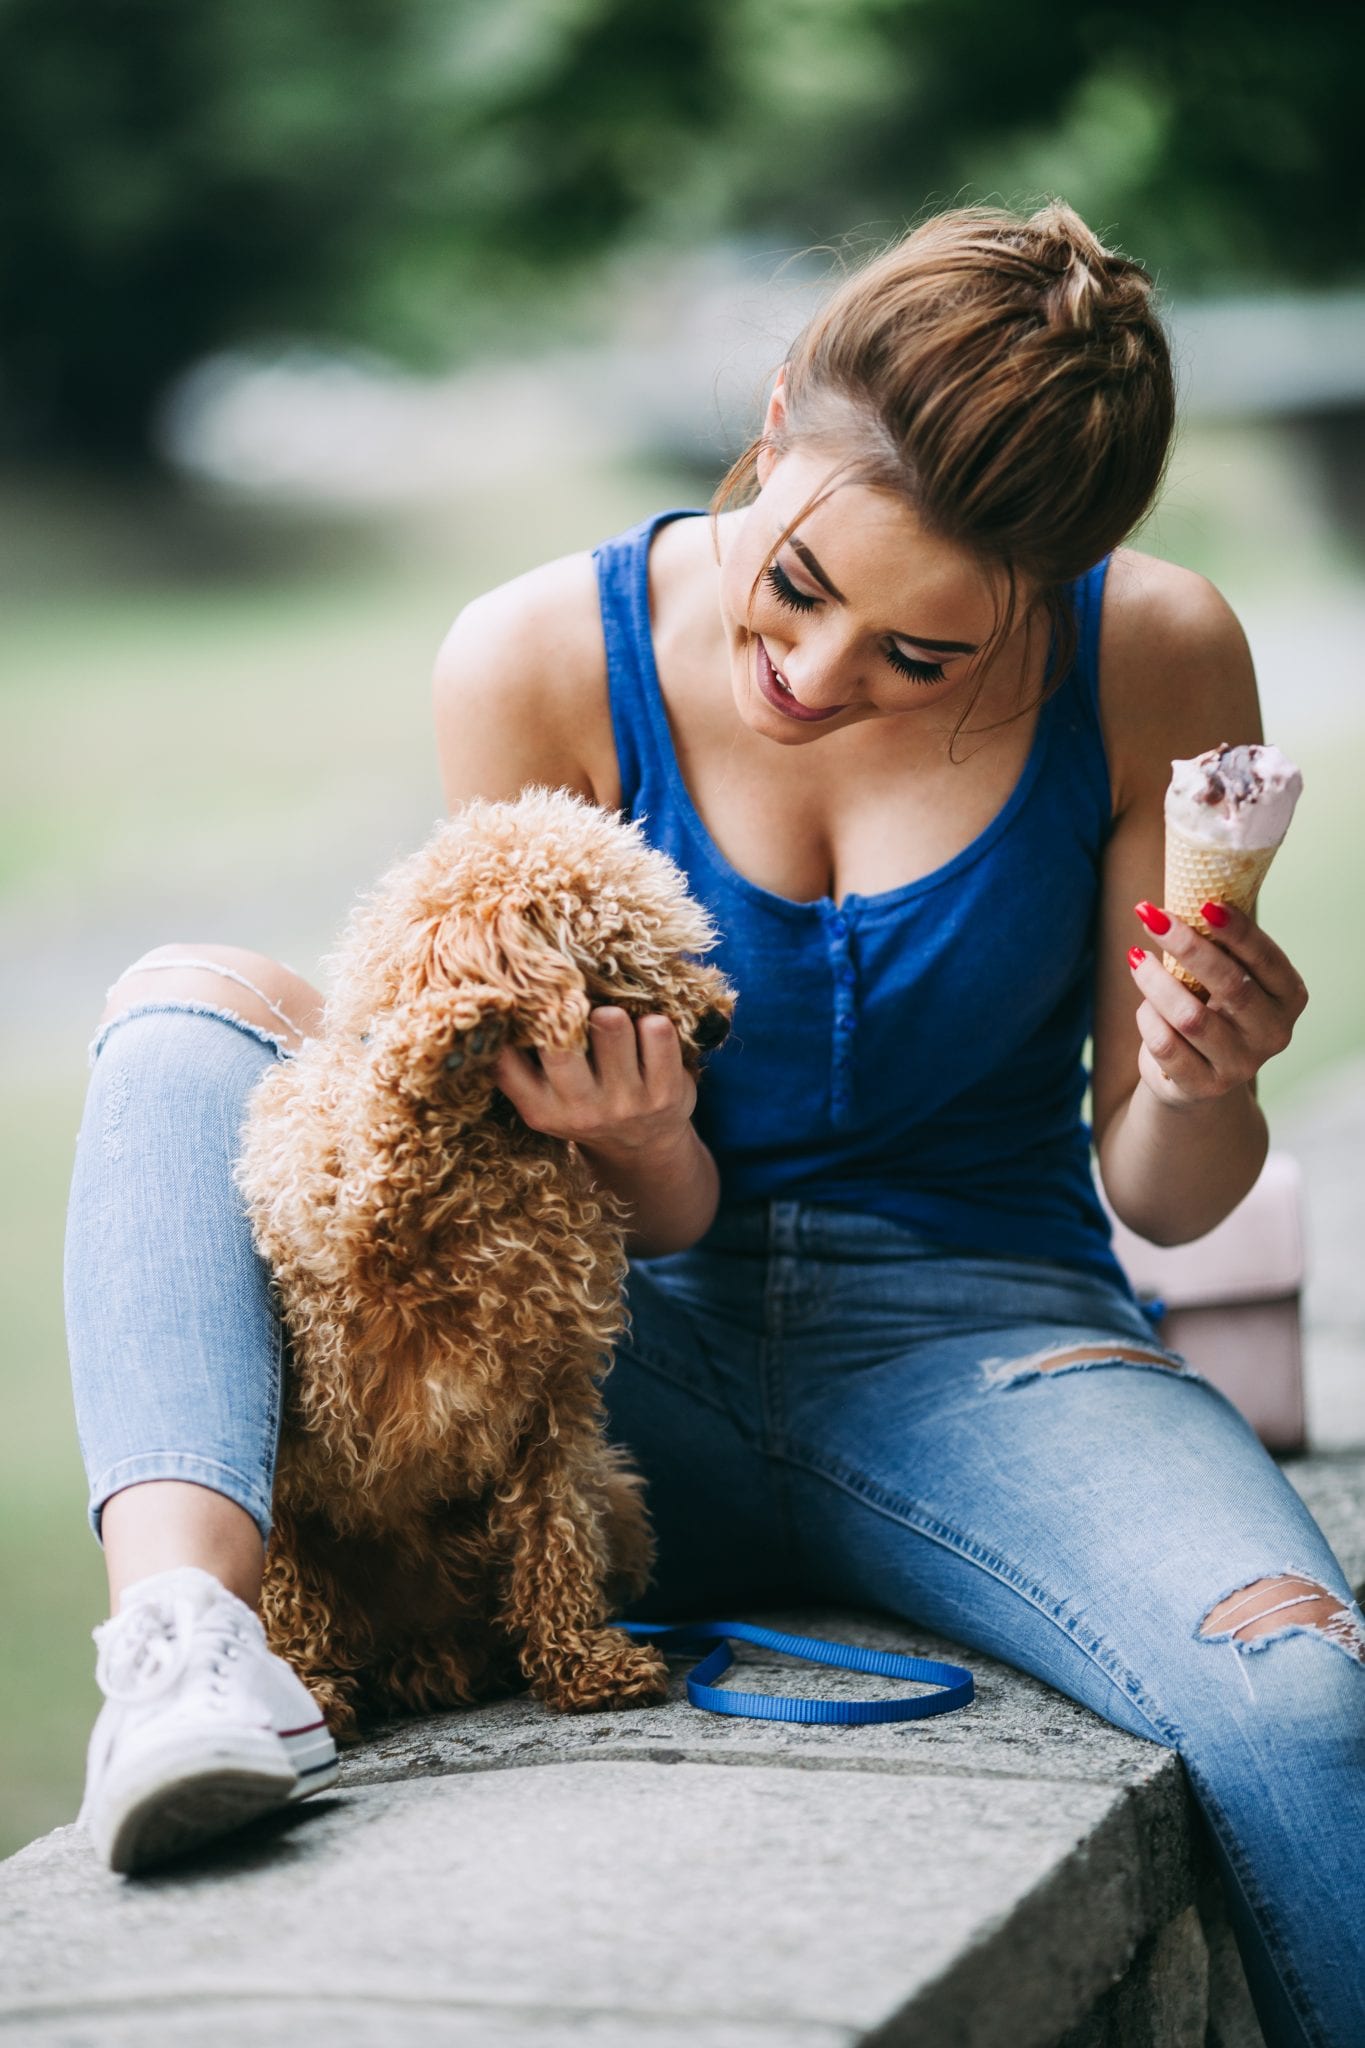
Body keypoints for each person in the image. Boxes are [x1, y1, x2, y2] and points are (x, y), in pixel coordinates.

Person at [64, 202, 1361, 2043]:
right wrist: (642, 1153)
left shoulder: (1150, 653)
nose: (821, 679)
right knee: (184, 1005)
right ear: (771, 419)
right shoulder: (533, 657)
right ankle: (187, 1649)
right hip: (606, 1364)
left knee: (1302, 1703)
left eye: (927, 657)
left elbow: (1164, 1195)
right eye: (802, 584)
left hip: (990, 1345)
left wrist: (1202, 1075)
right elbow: (519, 1198)